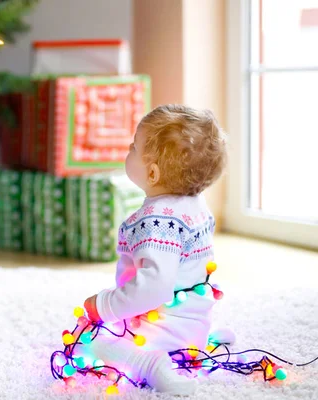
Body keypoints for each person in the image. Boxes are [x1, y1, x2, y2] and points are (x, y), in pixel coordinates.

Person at [80, 104, 235, 395]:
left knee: (94, 343)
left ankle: (149, 364)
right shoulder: (196, 205)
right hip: (194, 323)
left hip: (158, 332)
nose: (129, 148)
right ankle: (199, 345)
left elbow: (154, 289)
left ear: (152, 173)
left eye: (134, 147)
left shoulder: (155, 222)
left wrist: (103, 306)